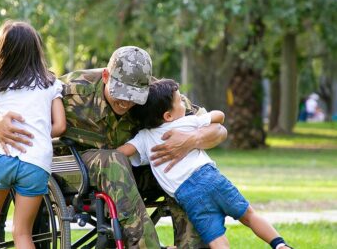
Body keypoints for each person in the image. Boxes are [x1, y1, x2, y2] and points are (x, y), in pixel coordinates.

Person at [0, 46, 227, 248]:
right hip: (73, 169)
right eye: (120, 92)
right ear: (105, 76)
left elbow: (218, 129)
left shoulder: (158, 96)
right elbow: (22, 107)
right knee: (113, 160)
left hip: (131, 173)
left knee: (187, 175)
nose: (125, 101)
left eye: (133, 96)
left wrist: (190, 140)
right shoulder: (72, 91)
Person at [117, 79, 293, 249]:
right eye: (180, 101)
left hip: (190, 197)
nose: (184, 105)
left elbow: (122, 153)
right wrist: (205, 119)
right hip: (212, 178)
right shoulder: (186, 122)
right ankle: (279, 244)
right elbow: (220, 116)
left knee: (217, 240)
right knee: (249, 215)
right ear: (168, 115)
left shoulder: (144, 138)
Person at [0, 20, 66, 249]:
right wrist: (37, 132)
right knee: (22, 233)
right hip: (35, 164)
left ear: (2, 51)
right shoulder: (50, 83)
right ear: (36, 50)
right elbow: (60, 126)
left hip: (2, 161)